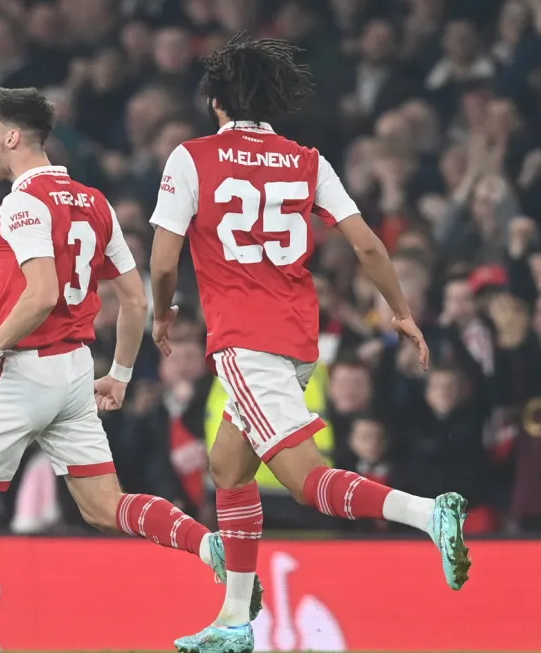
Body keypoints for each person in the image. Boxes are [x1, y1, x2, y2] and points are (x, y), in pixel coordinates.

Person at [0, 86, 262, 653]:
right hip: (74, 372)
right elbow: (135, 299)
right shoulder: (95, 201)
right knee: (104, 506)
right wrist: (118, 374)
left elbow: (41, 293)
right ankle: (206, 546)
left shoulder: (22, 203)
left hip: (20, 371)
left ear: (13, 137)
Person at [147, 34, 472, 653]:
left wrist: (163, 317)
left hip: (245, 340)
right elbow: (369, 244)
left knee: (305, 481)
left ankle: (428, 513)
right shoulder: (306, 160)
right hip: (297, 337)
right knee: (228, 467)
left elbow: (163, 263)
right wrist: (401, 313)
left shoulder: (191, 158)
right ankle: (235, 621)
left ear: (216, 101)